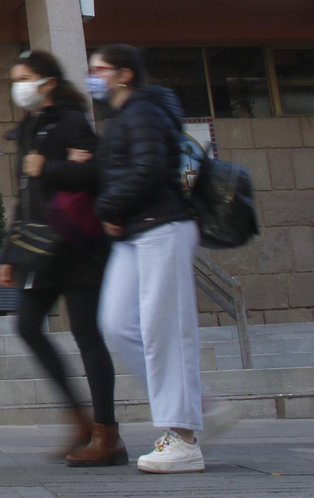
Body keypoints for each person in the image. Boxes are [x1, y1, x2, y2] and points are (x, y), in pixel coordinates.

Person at [0, 51, 125, 468]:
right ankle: (80, 417)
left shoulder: (71, 120)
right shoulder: (31, 126)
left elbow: (96, 173)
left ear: (47, 82)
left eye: (26, 78)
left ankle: (107, 433)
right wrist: (9, 253)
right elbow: (26, 196)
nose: (20, 86)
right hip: (41, 250)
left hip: (78, 247)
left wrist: (47, 167)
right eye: (16, 79)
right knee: (27, 326)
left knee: (87, 335)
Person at [87, 44, 205, 474]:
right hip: (134, 233)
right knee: (117, 325)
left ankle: (184, 437)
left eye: (99, 69)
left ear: (124, 74)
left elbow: (150, 170)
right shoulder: (122, 117)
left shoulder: (144, 111)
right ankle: (189, 404)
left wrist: (107, 207)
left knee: (165, 330)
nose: (93, 76)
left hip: (163, 228)